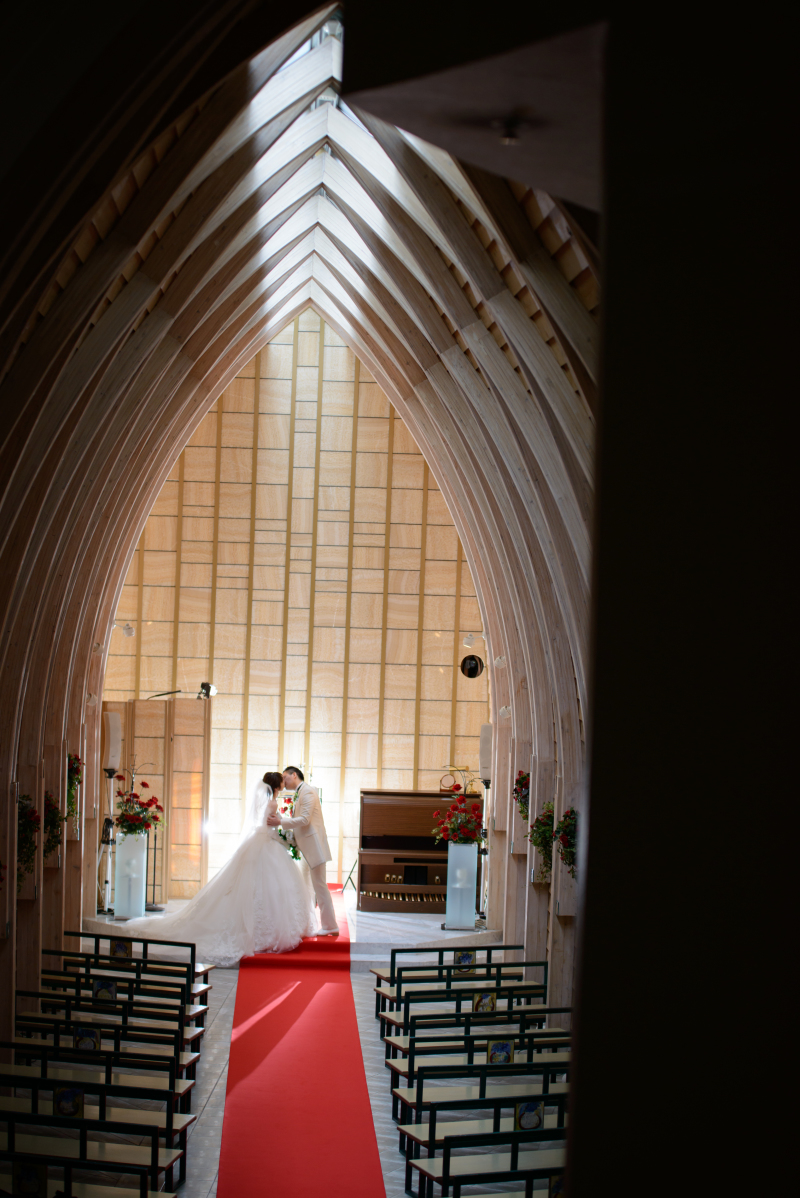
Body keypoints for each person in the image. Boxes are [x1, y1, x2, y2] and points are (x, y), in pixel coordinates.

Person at [122, 772, 315, 966]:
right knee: (271, 887)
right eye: (282, 781)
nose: (284, 782)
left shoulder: (266, 801)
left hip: (258, 843)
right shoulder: (272, 803)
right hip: (267, 844)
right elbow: (269, 830)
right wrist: (284, 841)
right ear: (277, 786)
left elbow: (263, 826)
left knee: (256, 887)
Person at [267, 767, 338, 936]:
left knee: (320, 886)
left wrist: (281, 821)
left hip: (314, 847)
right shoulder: (300, 792)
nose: (284, 782)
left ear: (294, 775)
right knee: (308, 887)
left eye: (285, 777)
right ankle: (309, 921)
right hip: (306, 848)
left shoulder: (307, 791)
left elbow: (305, 820)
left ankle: (330, 926)